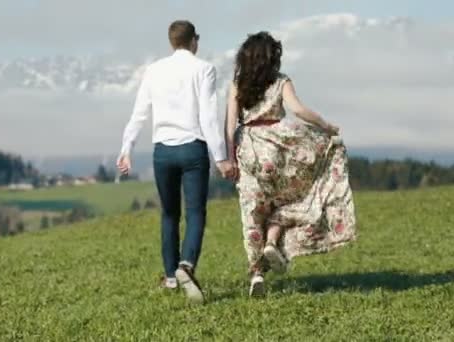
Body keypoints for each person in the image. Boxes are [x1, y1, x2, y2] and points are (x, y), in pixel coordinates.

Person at [224, 32, 357, 297]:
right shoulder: (281, 81)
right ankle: (273, 242)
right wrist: (326, 126)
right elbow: (298, 110)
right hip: (279, 148)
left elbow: (229, 125)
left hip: (250, 151)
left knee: (253, 212)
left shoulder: (237, 84)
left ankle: (257, 274)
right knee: (292, 200)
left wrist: (229, 158)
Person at [117, 20, 235, 304]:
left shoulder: (154, 70)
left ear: (171, 41)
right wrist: (221, 157)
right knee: (196, 212)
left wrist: (126, 149)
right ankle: (187, 266)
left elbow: (139, 113)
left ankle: (171, 277)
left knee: (170, 214)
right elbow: (208, 116)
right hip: (193, 150)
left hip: (163, 153)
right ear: (195, 40)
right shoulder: (204, 69)